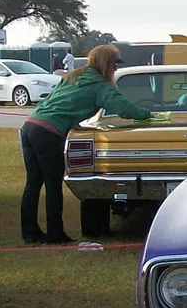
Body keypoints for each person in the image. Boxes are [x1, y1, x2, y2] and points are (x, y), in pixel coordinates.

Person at [19, 44, 160, 244]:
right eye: (115, 64)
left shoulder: (72, 76)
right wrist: (148, 115)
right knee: (52, 186)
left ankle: (29, 233)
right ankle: (55, 234)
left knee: (33, 184)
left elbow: (54, 101)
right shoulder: (100, 86)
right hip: (50, 132)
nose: (116, 69)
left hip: (30, 126)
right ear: (107, 64)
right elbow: (123, 108)